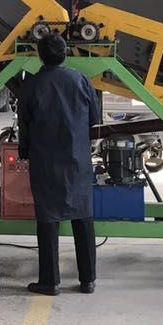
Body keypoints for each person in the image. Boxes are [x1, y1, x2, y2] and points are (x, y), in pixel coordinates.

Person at [17, 32, 100, 296]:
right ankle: (88, 280)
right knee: (83, 216)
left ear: (40, 56)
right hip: (77, 159)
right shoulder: (80, 79)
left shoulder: (31, 85)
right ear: (65, 53)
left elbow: (24, 125)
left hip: (46, 160)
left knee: (47, 219)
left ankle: (50, 281)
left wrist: (24, 150)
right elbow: (94, 118)